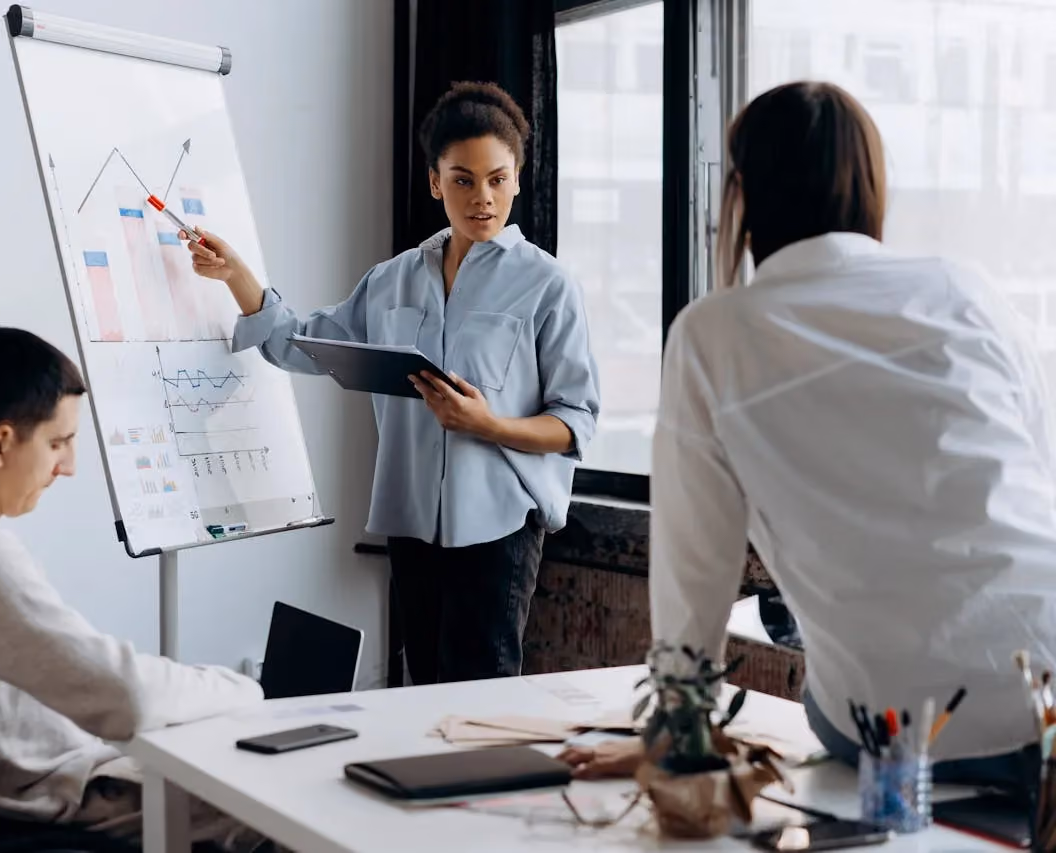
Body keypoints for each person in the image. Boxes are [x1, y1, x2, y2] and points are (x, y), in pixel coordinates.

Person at [572, 81, 1056, 787]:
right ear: (869, 185)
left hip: (899, 722)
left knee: (831, 699)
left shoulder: (713, 335)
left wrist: (675, 734)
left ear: (741, 194)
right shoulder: (966, 290)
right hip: (1047, 689)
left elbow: (694, 571)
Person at [182, 82, 600, 685]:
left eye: (496, 179)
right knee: (420, 689)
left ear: (517, 177)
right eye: (462, 179)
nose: (481, 197)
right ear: (435, 182)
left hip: (501, 525)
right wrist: (238, 277)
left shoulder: (548, 285)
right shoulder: (392, 280)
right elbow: (301, 344)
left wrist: (489, 425)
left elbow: (575, 422)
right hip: (410, 519)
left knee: (480, 688)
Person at [0, 327, 272, 850]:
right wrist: (245, 688)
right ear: (0, 442)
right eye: (58, 443)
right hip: (43, 793)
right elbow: (125, 698)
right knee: (272, 810)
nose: (67, 467)